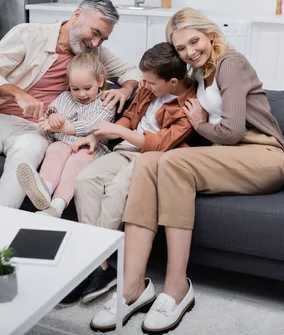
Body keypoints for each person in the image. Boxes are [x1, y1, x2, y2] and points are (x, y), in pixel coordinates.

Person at [89, 7, 284, 333]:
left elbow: (230, 132)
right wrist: (133, 88)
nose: (190, 51)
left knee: (172, 162)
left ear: (210, 34)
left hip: (263, 155)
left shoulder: (232, 63)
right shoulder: (201, 72)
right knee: (147, 161)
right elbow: (159, 83)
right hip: (228, 156)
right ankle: (131, 287)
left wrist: (200, 124)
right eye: (182, 47)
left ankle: (177, 289)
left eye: (194, 41)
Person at [0, 0, 141, 209]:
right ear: (77, 16)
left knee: (25, 160)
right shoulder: (29, 35)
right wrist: (18, 94)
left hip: (34, 128)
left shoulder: (94, 53)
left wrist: (126, 88)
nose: (96, 43)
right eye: (95, 33)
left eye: (103, 39)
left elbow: (132, 71)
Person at [57, 42, 197, 308]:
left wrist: (120, 132)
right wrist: (96, 135)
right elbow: (130, 118)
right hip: (123, 150)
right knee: (85, 179)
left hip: (149, 159)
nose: (143, 85)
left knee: (118, 189)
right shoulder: (147, 87)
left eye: (150, 82)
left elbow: (160, 144)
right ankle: (100, 263)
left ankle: (94, 264)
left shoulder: (188, 106)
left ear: (173, 81)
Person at [16, 53, 115, 218]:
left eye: (87, 88)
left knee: (75, 163)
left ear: (101, 81)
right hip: (63, 142)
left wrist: (63, 127)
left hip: (90, 147)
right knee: (55, 150)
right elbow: (50, 114)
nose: (81, 94)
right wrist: (53, 118)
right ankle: (44, 189)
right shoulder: (65, 97)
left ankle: (57, 206)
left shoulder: (106, 102)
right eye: (75, 89)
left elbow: (93, 126)